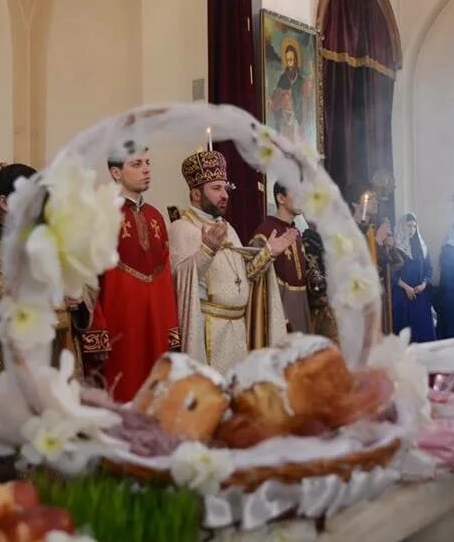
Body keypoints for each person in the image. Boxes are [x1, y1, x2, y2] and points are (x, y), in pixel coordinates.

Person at [0, 163, 110, 479]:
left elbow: (84, 286)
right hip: (9, 365)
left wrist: (78, 298)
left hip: (55, 355)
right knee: (16, 453)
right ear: (5, 203)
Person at [168, 150, 290, 373]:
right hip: (210, 331)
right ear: (196, 194)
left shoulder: (228, 228)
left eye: (226, 188)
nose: (224, 194)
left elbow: (243, 277)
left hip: (238, 329)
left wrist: (268, 254)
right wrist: (207, 250)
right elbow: (180, 280)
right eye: (216, 188)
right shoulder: (181, 228)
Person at [99, 144, 181, 402]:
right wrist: (97, 331)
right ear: (116, 172)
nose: (146, 169)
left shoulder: (156, 216)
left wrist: (171, 327)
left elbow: (165, 274)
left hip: (156, 325)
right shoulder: (101, 216)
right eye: (137, 164)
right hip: (119, 327)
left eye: (148, 162)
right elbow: (90, 278)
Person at [252, 182, 310, 334]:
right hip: (280, 310)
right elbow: (255, 277)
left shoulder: (295, 231)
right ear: (280, 198)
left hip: (301, 305)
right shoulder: (265, 231)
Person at [391, 213, 436, 342]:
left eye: (414, 226)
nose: (412, 229)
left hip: (420, 296)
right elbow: (391, 274)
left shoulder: (421, 247)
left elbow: (429, 269)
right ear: (402, 227)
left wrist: (423, 284)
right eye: (409, 226)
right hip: (402, 296)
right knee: (405, 334)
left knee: (423, 333)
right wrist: (406, 288)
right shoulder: (395, 248)